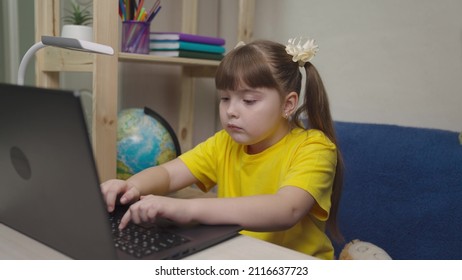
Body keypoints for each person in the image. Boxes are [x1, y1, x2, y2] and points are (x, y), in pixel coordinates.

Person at [101, 38, 344, 260]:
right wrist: (131, 187)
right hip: (238, 256)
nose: (231, 111)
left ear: (288, 104)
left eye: (248, 100)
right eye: (225, 98)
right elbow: (169, 173)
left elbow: (286, 209)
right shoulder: (224, 143)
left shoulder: (315, 148)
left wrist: (188, 209)